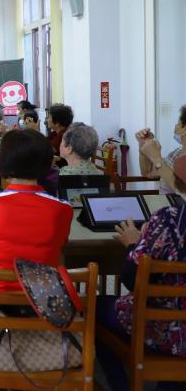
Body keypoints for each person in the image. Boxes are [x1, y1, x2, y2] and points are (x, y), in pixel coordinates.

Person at [96, 155, 186, 391]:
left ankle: (121, 386)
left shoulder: (169, 220)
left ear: (177, 183)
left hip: (168, 330)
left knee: (97, 307)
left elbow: (131, 278)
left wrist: (134, 243)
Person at [0, 129, 73, 292]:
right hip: (43, 300)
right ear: (47, 163)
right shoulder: (63, 208)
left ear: (4, 162)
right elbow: (60, 245)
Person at [138, 105, 186, 194]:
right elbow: (148, 173)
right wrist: (143, 146)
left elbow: (183, 192)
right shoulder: (177, 153)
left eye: (178, 123)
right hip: (165, 204)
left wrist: (157, 158)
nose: (175, 126)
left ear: (184, 128)